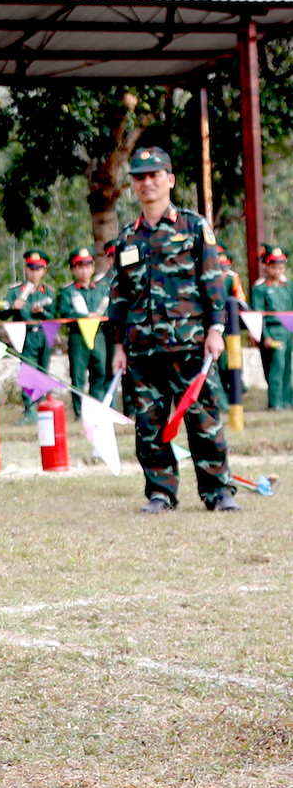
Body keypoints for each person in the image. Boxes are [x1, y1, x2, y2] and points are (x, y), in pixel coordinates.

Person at [108, 146, 237, 513]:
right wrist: (118, 345)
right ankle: (160, 493)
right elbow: (119, 296)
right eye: (139, 177)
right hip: (142, 349)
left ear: (170, 180)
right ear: (133, 185)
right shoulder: (127, 238)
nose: (147, 182)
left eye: (154, 175)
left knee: (203, 419)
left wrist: (216, 329)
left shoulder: (194, 226)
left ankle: (217, 491)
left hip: (190, 344)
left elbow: (213, 281)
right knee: (149, 424)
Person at [0, 248, 54, 421]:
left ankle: (44, 408)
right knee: (29, 373)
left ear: (44, 271)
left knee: (43, 372)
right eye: (31, 268)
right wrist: (11, 306)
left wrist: (43, 313)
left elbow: (55, 315)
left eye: (38, 269)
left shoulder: (48, 292)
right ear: (25, 269)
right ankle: (30, 412)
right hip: (26, 336)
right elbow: (0, 314)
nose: (34, 273)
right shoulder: (15, 290)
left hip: (45, 335)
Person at [59, 245, 111, 417]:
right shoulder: (68, 290)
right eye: (79, 266)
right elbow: (65, 311)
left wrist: (99, 315)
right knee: (77, 375)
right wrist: (85, 315)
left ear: (93, 267)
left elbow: (110, 309)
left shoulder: (103, 288)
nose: (84, 270)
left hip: (99, 335)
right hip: (77, 336)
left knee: (100, 373)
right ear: (73, 269)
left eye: (88, 266)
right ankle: (80, 412)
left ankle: (97, 409)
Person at [251, 243, 292, 410]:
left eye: (281, 266)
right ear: (266, 266)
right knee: (276, 368)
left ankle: (287, 401)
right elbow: (257, 315)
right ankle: (275, 403)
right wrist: (265, 335)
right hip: (273, 333)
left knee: (287, 368)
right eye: (274, 266)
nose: (278, 270)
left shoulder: (288, 286)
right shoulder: (260, 288)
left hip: (288, 331)